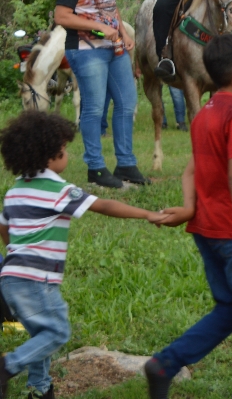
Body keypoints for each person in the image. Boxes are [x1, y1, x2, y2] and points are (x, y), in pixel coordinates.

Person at [0, 111, 165, 399]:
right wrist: (148, 214)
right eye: (64, 150)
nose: (68, 156)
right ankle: (6, 367)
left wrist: (15, 251)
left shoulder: (15, 190)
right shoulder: (57, 189)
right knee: (57, 333)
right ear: (48, 156)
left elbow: (4, 227)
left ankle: (40, 389)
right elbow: (103, 206)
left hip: (11, 278)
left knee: (41, 335)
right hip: (37, 280)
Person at [145, 34, 232, 398]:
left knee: (231, 308)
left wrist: (189, 207)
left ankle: (165, 364)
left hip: (206, 230)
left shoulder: (204, 114)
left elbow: (190, 171)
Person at [53, 0, 148, 189]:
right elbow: (61, 16)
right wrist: (98, 27)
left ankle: (126, 164)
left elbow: (110, 3)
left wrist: (123, 32)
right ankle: (95, 168)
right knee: (94, 108)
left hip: (115, 47)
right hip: (86, 50)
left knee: (127, 103)